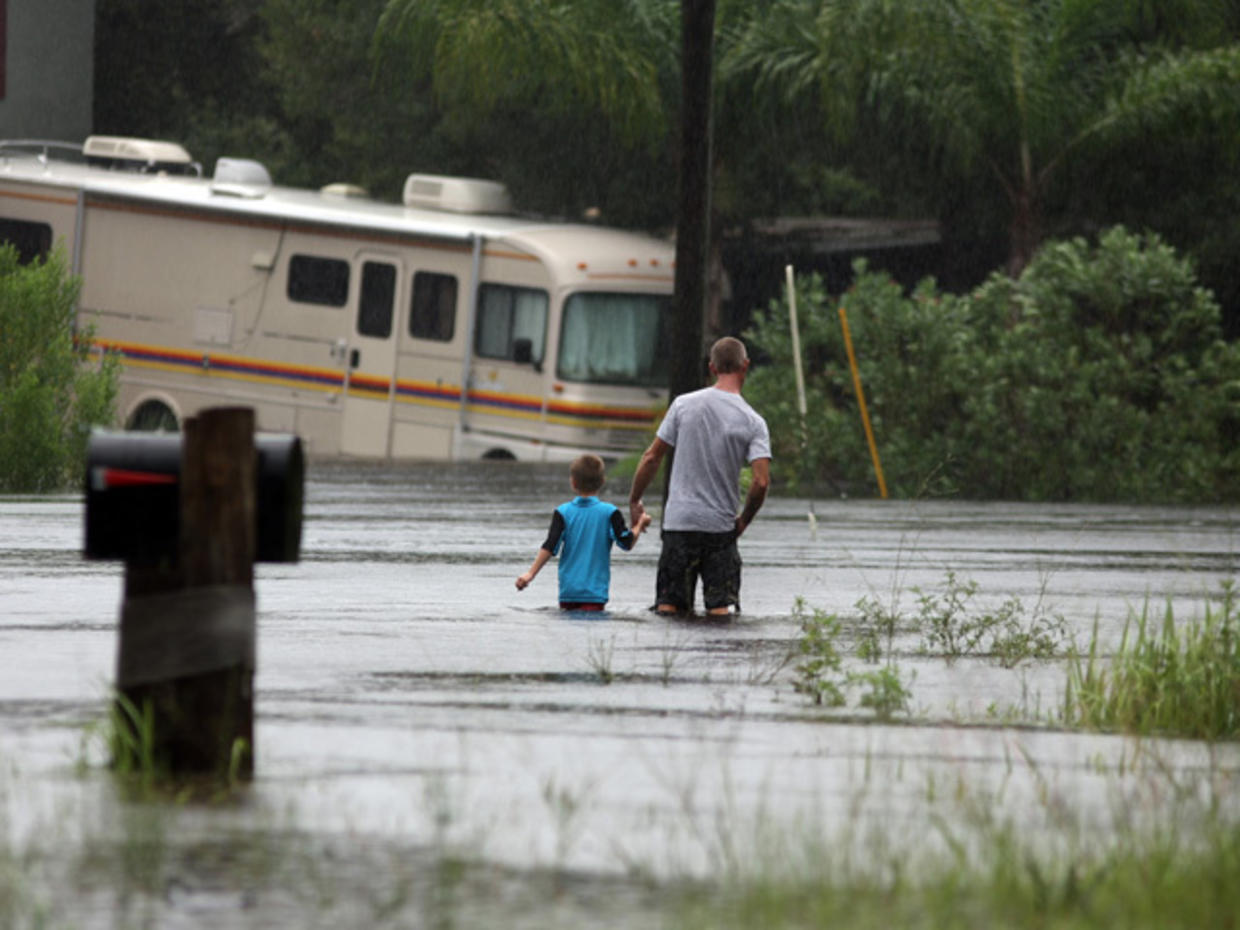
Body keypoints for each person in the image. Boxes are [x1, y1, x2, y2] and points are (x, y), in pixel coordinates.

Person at [628, 336, 771, 616]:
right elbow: (760, 481)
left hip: (679, 523)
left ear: (712, 368)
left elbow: (652, 457)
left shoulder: (683, 405)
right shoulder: (754, 422)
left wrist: (635, 499)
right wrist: (743, 520)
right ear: (746, 366)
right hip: (720, 528)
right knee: (721, 611)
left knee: (669, 610)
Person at [516, 453, 652, 610]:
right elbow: (626, 542)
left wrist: (530, 574)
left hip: (568, 592)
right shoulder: (610, 512)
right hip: (595, 594)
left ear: (573, 483)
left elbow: (550, 546)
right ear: (602, 482)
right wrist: (640, 524)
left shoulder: (562, 512)